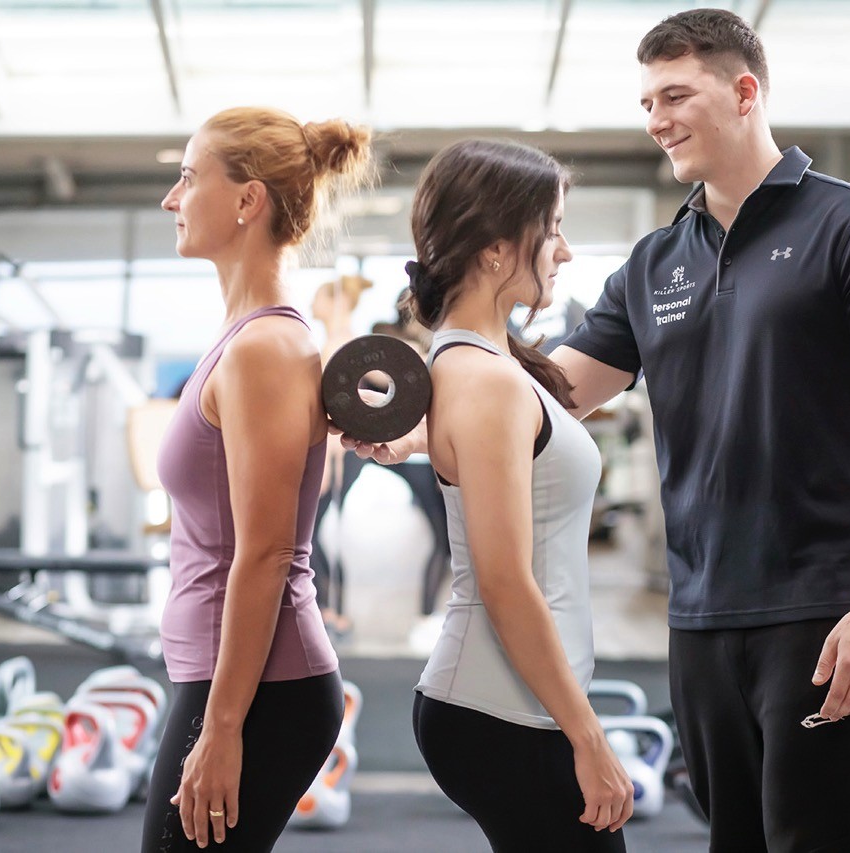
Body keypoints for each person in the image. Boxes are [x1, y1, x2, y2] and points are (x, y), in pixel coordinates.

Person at [346, 9, 850, 851]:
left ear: (745, 92)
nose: (657, 118)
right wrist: (408, 432)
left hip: (819, 612)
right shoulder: (656, 263)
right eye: (646, 102)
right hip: (698, 621)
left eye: (675, 94)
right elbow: (542, 399)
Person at [143, 106, 370, 853]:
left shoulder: (266, 349)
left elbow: (267, 553)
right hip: (230, 679)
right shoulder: (245, 340)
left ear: (247, 201)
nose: (171, 199)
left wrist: (222, 728)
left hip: (257, 689)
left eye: (186, 177)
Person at [406, 138, 635, 851]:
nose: (564, 251)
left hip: (507, 701)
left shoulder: (487, 365)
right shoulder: (486, 379)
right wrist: (587, 736)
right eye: (554, 227)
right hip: (505, 709)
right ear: (499, 250)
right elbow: (507, 582)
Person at [309, 274, 374, 638]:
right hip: (336, 453)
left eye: (317, 297)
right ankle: (329, 609)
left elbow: (340, 409)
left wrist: (327, 466)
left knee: (312, 532)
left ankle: (330, 609)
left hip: (336, 454)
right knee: (316, 531)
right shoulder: (337, 340)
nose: (311, 304)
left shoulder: (339, 342)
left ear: (335, 301)